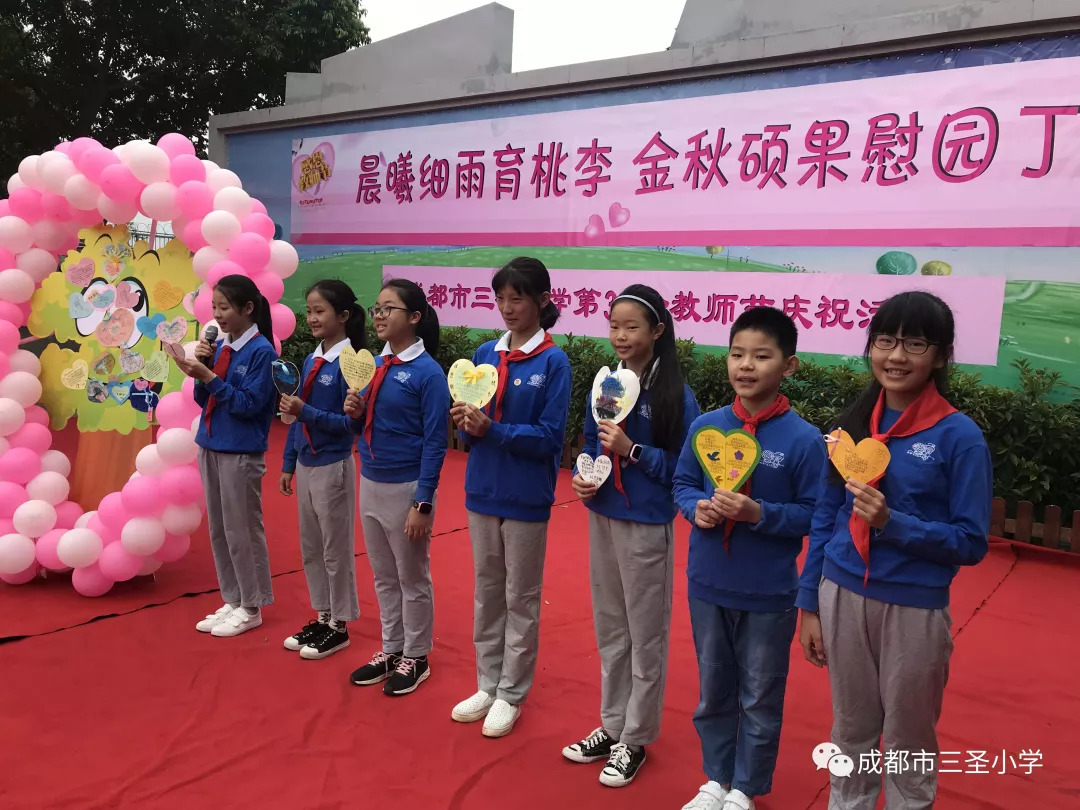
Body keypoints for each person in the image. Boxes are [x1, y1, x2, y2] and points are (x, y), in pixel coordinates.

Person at [796, 291, 991, 810]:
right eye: (885, 341)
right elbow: (824, 516)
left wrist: (892, 523)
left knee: (908, 741)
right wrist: (809, 603)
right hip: (841, 592)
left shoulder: (960, 437)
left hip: (913, 606)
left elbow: (971, 542)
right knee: (852, 732)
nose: (896, 356)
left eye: (915, 343)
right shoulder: (850, 428)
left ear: (942, 355)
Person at [675, 307, 826, 810]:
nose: (746, 366)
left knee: (760, 695)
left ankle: (745, 787)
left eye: (762, 356)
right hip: (708, 582)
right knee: (714, 687)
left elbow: (813, 514)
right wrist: (695, 508)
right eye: (738, 354)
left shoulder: (803, 440)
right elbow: (681, 484)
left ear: (789, 365)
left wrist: (757, 512)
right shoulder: (705, 427)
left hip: (768, 592)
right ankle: (715, 778)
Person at [563, 284, 701, 787]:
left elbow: (688, 470)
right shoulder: (606, 385)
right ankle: (611, 722)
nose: (620, 336)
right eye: (614, 325)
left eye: (632, 327)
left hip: (646, 526)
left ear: (658, 331)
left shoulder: (676, 397)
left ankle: (636, 737)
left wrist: (633, 449)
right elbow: (591, 446)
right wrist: (585, 475)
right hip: (603, 514)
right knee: (611, 630)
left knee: (646, 636)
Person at [449, 256, 572, 738]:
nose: (506, 307)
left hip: (525, 497)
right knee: (486, 593)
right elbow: (472, 423)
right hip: (481, 490)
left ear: (542, 300)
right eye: (500, 298)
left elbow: (549, 436)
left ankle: (512, 692)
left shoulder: (553, 361)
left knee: (521, 597)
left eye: (517, 297)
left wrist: (491, 428)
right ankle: (487, 682)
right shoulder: (483, 353)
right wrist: (466, 421)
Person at [344, 279, 449, 696]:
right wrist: (354, 409)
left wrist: (422, 501)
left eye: (390, 308)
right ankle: (391, 648)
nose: (381, 316)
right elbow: (362, 423)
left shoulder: (428, 374)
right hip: (370, 478)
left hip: (407, 488)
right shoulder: (370, 365)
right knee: (384, 576)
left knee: (412, 577)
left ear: (415, 317)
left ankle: (417, 655)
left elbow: (436, 441)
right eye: (377, 308)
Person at [174, 274, 278, 638]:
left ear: (248, 308)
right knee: (219, 528)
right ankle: (233, 598)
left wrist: (209, 376)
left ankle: (252, 606)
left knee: (243, 529)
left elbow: (250, 405)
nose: (216, 315)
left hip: (241, 450)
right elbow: (206, 401)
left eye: (224, 307)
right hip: (211, 443)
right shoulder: (219, 346)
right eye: (213, 307)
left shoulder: (262, 351)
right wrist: (200, 374)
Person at [278, 280, 367, 660]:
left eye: (320, 311)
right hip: (306, 462)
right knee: (312, 547)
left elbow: (350, 425)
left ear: (343, 316)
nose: (312, 318)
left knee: (335, 549)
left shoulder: (355, 364)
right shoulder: (312, 360)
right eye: (309, 311)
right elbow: (293, 416)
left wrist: (305, 412)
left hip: (333, 464)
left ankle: (340, 625)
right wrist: (287, 462)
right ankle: (323, 614)